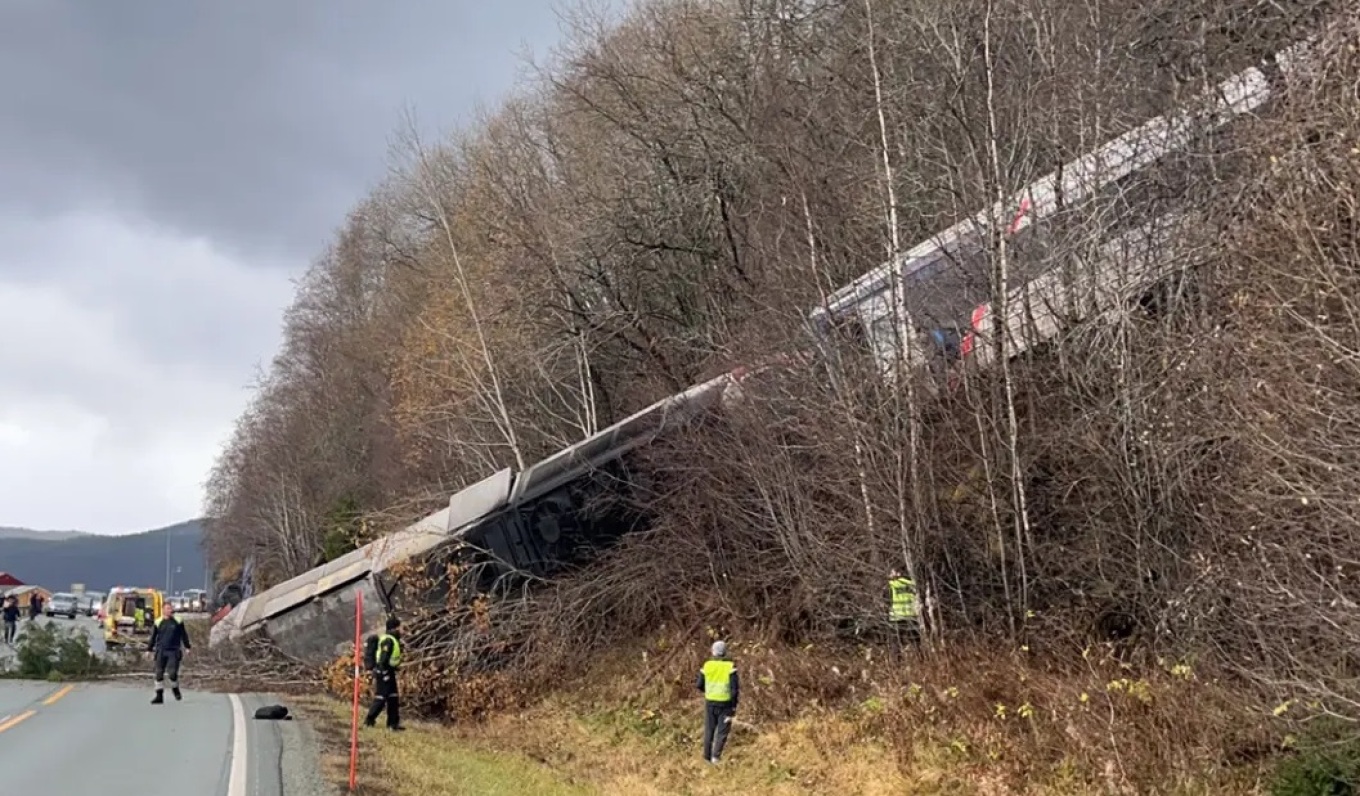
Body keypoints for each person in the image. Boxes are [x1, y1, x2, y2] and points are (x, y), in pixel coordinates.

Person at [696, 640, 739, 764]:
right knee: (722, 731)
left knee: (709, 729)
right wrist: (734, 704)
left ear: (712, 652)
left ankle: (706, 757)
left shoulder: (707, 666)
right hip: (726, 704)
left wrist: (708, 691)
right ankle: (716, 757)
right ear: (725, 652)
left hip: (710, 702)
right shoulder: (730, 667)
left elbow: (699, 685)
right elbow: (735, 689)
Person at [363, 616, 405, 731]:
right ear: (394, 628)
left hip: (389, 671)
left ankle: (392, 724)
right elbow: (383, 658)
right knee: (381, 697)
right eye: (400, 627)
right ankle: (369, 720)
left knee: (393, 697)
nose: (402, 630)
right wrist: (384, 671)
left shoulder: (393, 639)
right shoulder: (388, 640)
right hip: (383, 672)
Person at [147, 603, 191, 704]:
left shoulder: (178, 621)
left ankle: (175, 689)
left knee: (172, 673)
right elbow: (153, 637)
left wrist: (187, 647)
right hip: (161, 650)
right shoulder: (158, 622)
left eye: (171, 608)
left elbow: (184, 634)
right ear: (163, 610)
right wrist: (149, 650)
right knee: (159, 673)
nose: (170, 610)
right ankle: (159, 696)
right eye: (167, 608)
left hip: (174, 651)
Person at [888, 568, 920, 656]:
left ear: (898, 573)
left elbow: (886, 599)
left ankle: (896, 662)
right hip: (912, 615)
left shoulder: (892, 584)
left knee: (896, 642)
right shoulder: (912, 584)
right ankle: (921, 658)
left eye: (891, 572)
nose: (890, 574)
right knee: (916, 641)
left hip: (897, 617)